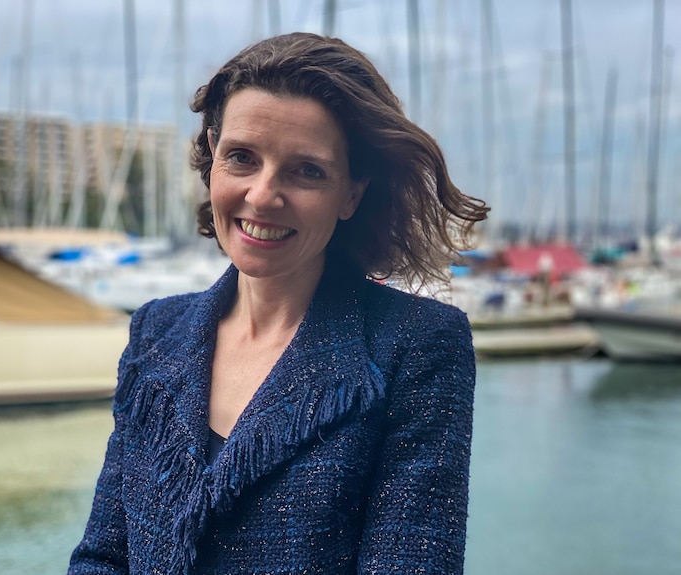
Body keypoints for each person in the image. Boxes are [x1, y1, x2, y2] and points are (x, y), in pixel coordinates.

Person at [68, 32, 489, 575]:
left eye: (307, 170)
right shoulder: (155, 331)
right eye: (242, 158)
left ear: (351, 194)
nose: (263, 195)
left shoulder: (419, 345)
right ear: (212, 161)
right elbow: (103, 554)